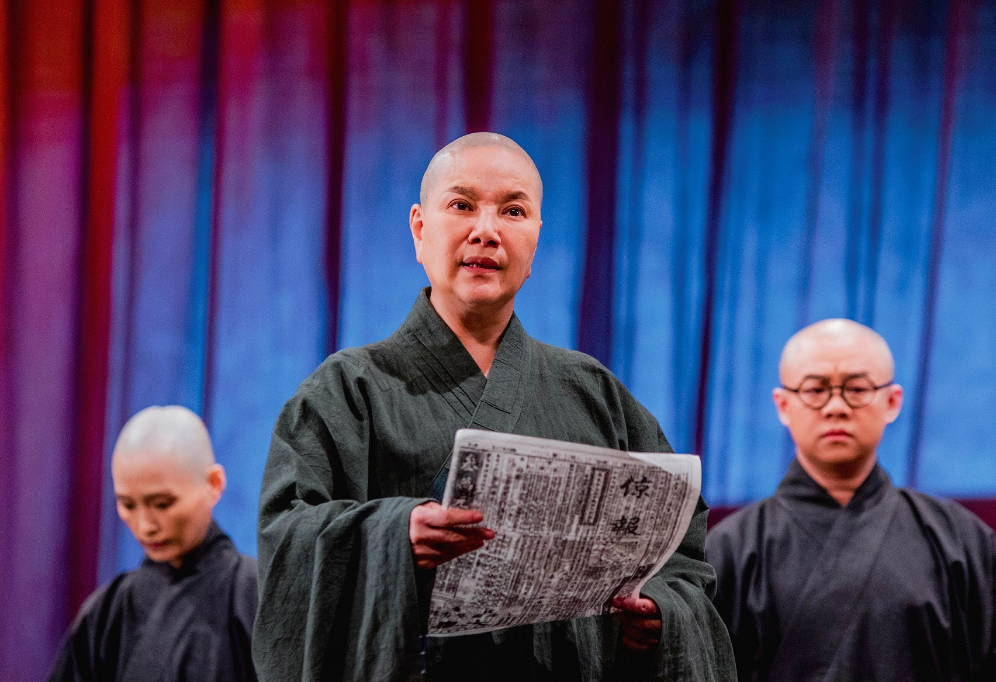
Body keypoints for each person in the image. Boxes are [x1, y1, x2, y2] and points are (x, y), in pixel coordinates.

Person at [253, 132, 736, 682]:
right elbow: (287, 542)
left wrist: (660, 615)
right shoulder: (348, 391)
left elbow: (680, 552)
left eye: (513, 211)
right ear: (419, 228)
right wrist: (394, 535)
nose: (487, 230)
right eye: (462, 205)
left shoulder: (594, 393)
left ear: (535, 241)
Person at [706, 319, 996, 681]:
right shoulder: (731, 548)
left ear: (892, 401)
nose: (836, 406)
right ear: (783, 405)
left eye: (857, 388)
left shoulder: (960, 538)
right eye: (815, 389)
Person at [47, 405, 259, 682]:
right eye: (128, 505)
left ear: (214, 484)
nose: (145, 526)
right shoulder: (107, 611)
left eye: (162, 504)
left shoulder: (259, 597)